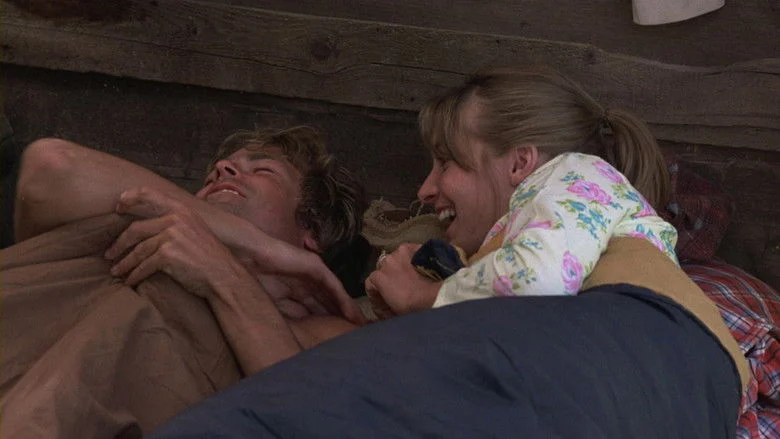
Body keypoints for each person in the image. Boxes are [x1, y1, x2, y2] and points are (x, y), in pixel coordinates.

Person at [365, 66, 678, 315]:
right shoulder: (547, 231)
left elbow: (537, 280)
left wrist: (420, 296)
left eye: (446, 163)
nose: (424, 190)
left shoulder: (579, 176)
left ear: (520, 163)